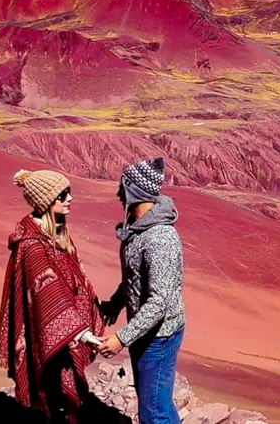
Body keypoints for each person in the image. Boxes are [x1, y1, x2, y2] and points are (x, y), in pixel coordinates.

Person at [0, 169, 105, 424]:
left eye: (69, 192)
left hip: (66, 331)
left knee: (66, 399)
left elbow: (76, 277)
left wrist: (97, 308)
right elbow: (49, 293)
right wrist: (82, 333)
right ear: (46, 202)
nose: (70, 198)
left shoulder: (57, 234)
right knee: (55, 396)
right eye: (62, 195)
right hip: (48, 336)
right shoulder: (32, 245)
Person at [98, 157, 186, 424]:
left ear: (134, 191)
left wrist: (121, 338)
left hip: (159, 337)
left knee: (153, 413)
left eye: (122, 187)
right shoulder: (138, 230)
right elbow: (135, 278)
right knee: (155, 403)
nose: (118, 194)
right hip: (145, 331)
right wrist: (116, 302)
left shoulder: (159, 239)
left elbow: (159, 302)